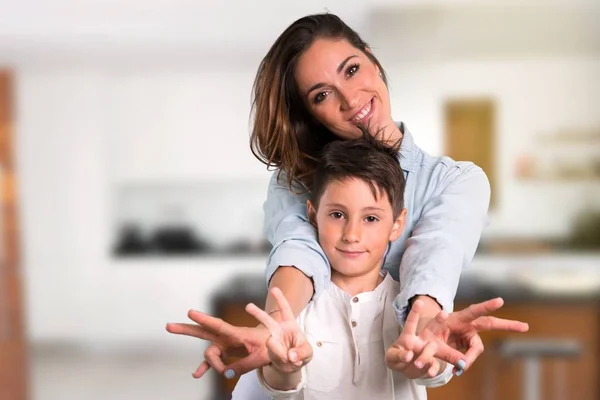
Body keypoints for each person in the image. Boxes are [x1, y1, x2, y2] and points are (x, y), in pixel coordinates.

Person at [166, 11, 517, 391]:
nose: (350, 100)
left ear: (371, 59)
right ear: (310, 114)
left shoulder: (456, 181)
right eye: (321, 94)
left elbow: (434, 255)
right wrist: (279, 326)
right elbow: (298, 251)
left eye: (351, 70)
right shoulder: (295, 182)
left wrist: (424, 329)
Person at [241, 133, 470, 399]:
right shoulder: (295, 307)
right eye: (337, 215)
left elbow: (433, 366)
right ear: (313, 214)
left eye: (371, 218)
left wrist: (428, 360)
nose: (352, 234)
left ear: (397, 223)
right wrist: (285, 365)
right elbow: (280, 385)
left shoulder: (410, 307)